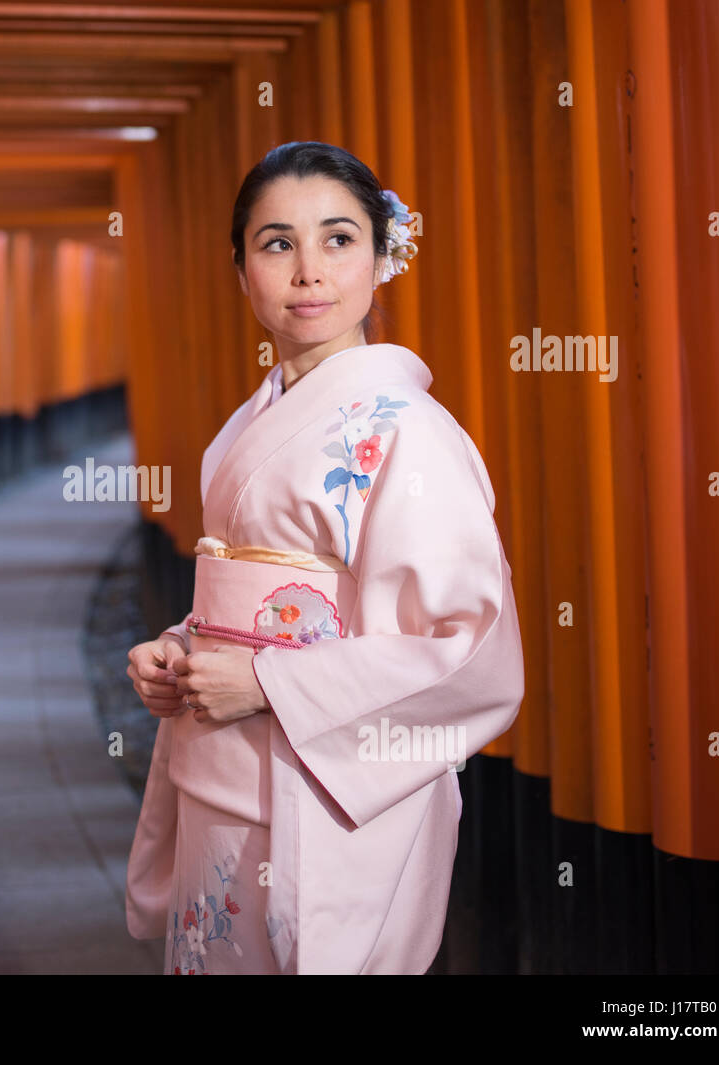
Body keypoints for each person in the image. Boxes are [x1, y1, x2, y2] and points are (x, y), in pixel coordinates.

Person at [123, 141, 525, 975]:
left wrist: (270, 681)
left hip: (329, 791)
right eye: (277, 243)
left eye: (339, 239)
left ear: (382, 258)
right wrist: (183, 650)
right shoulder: (246, 426)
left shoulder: (410, 432)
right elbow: (245, 600)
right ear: (241, 270)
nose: (309, 271)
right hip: (218, 781)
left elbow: (469, 647)